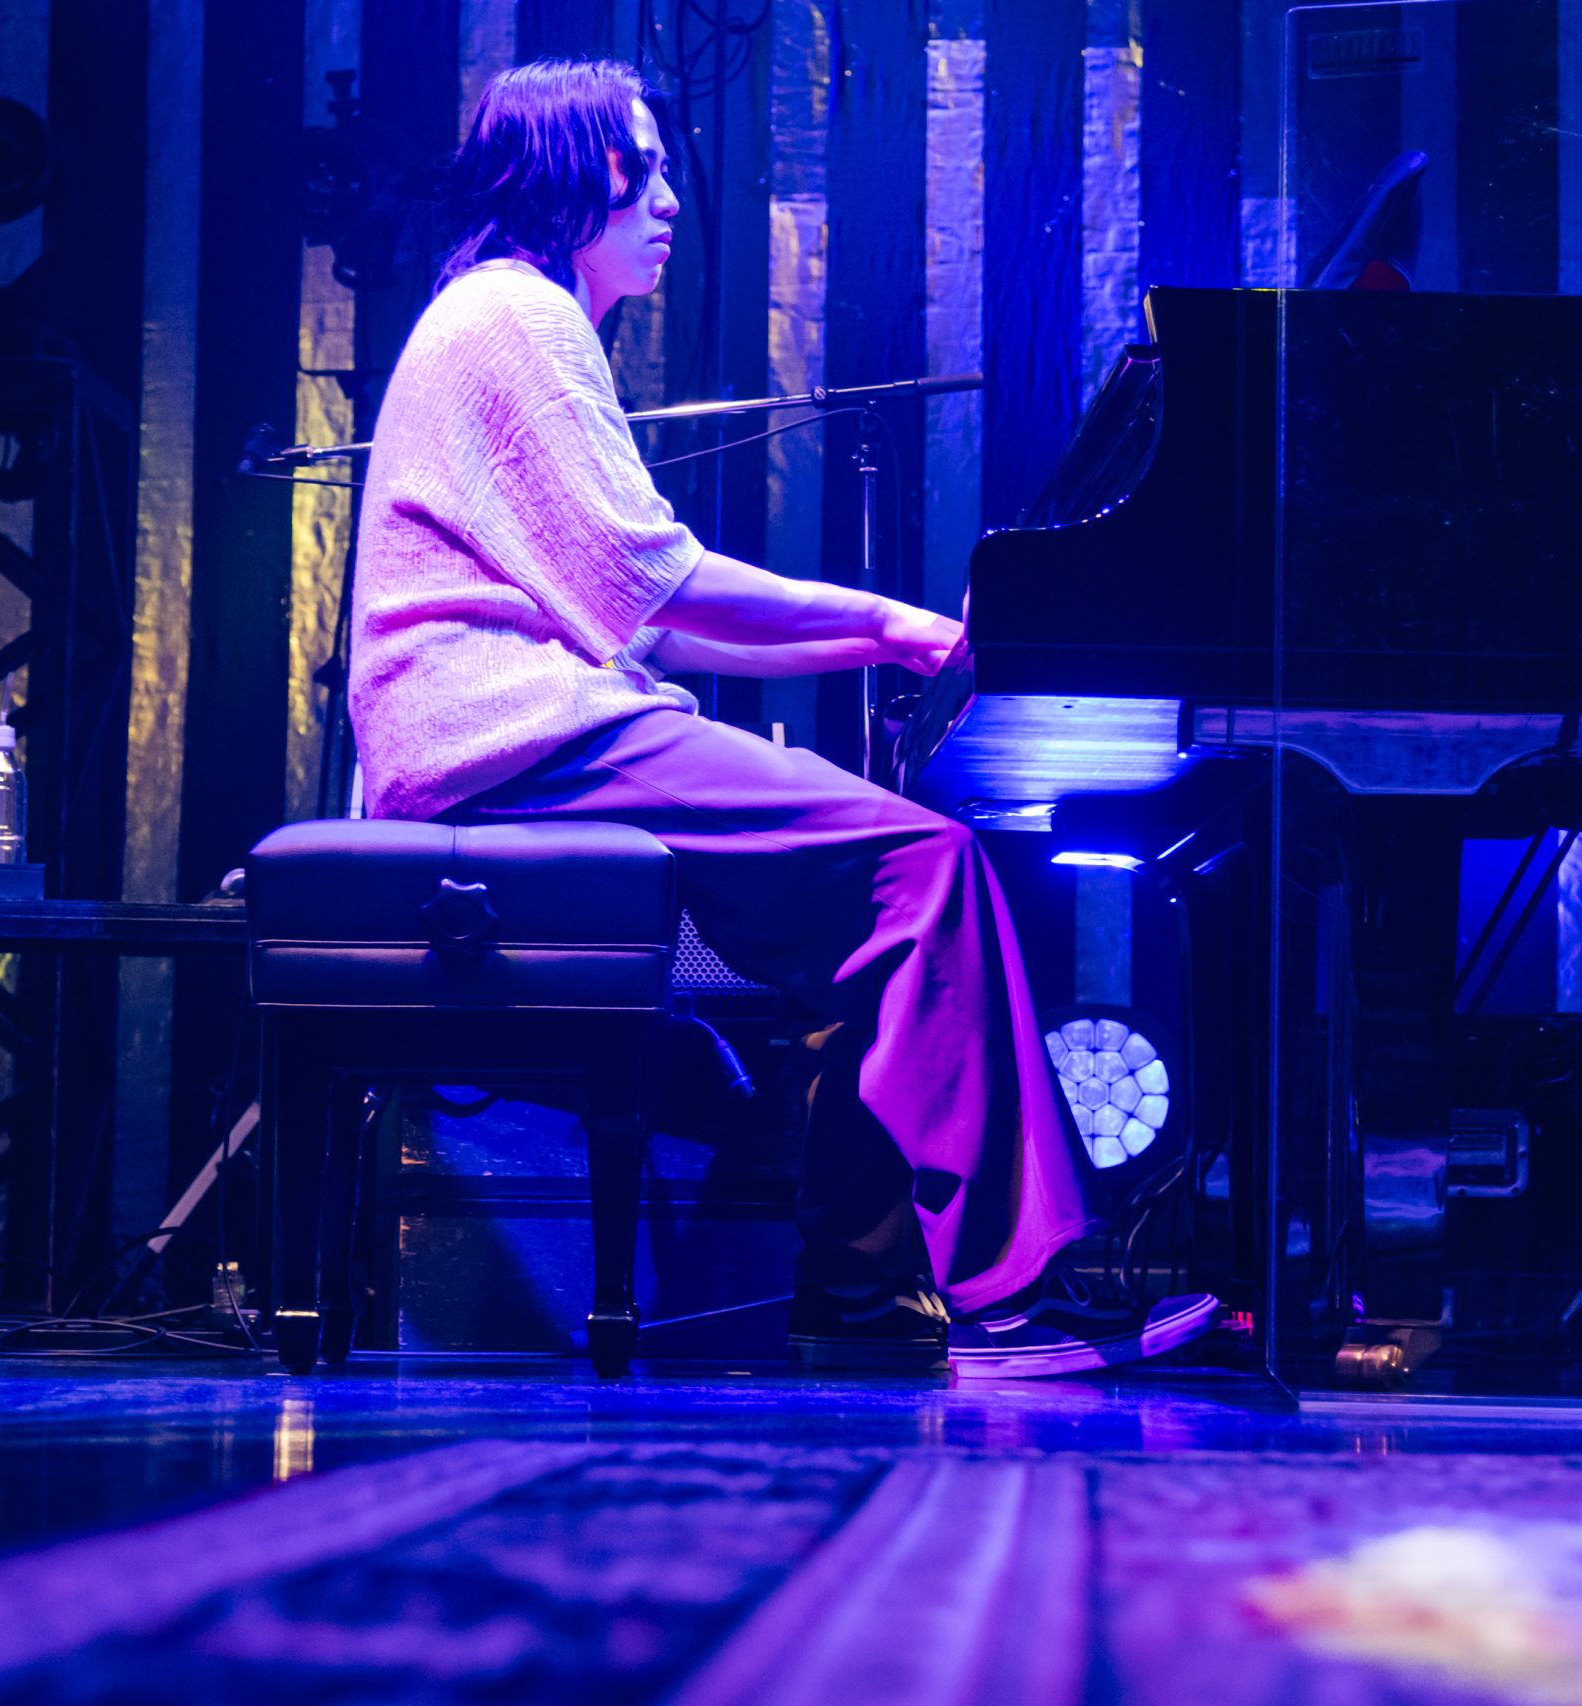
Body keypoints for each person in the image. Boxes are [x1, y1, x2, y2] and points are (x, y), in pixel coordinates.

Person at [348, 57, 1215, 1379]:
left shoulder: (502, 313)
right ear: (570, 174)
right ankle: (991, 1292)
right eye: (642, 169)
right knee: (923, 867)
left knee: (885, 901)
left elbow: (646, 619)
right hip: (510, 746)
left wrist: (880, 636)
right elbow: (664, 584)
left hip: (514, 741)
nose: (669, 200)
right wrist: (898, 625)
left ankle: (870, 1294)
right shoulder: (520, 315)